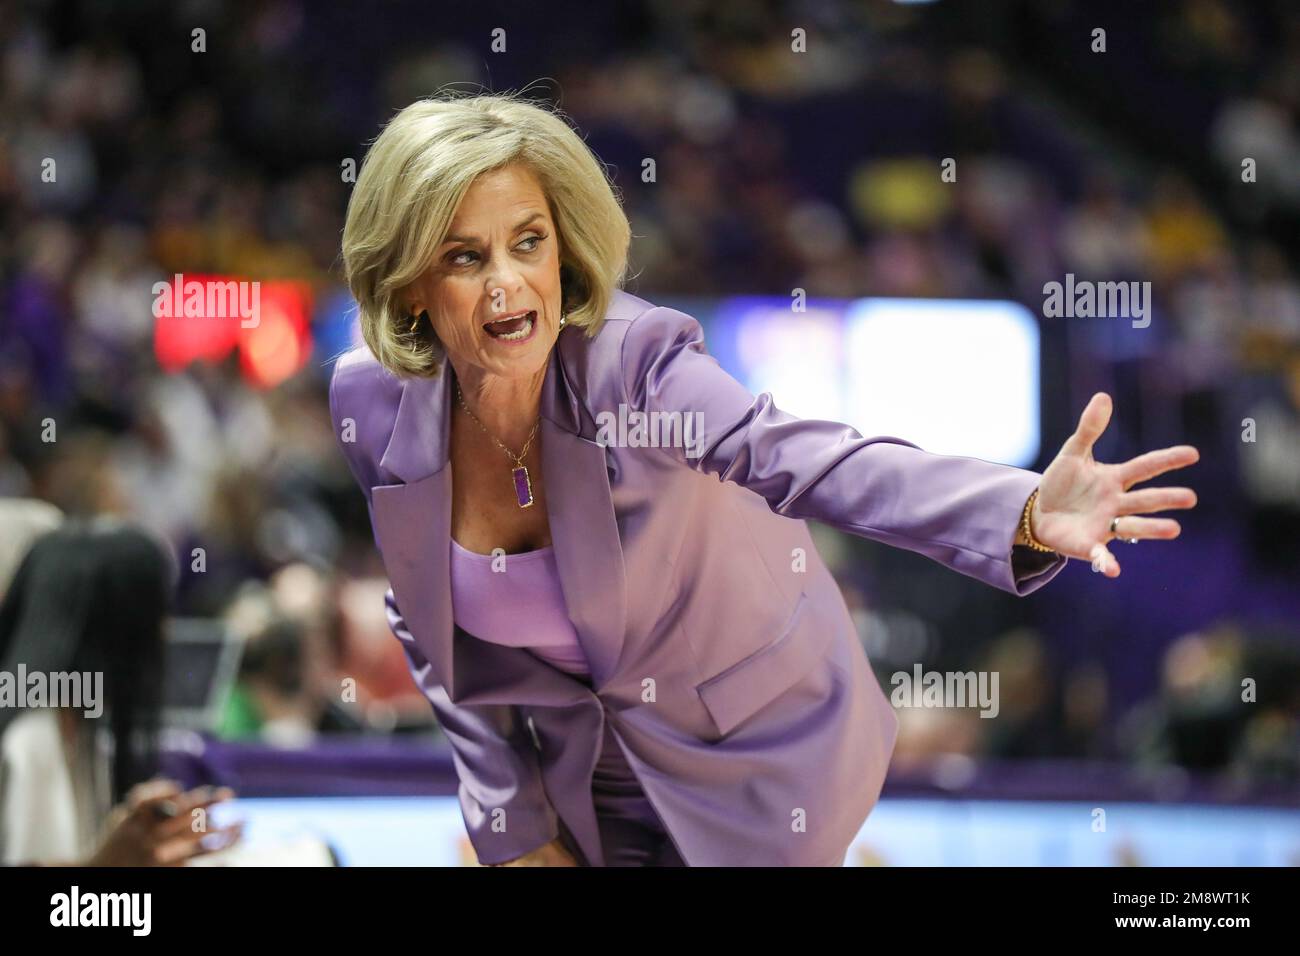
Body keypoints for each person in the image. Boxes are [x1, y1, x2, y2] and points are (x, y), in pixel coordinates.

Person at [330, 91, 1201, 866]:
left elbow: (800, 455)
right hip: (578, 776)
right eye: (464, 257)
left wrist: (1023, 508)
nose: (508, 283)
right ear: (408, 287)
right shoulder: (371, 402)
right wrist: (512, 824)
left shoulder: (632, 367)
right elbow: (428, 622)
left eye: (529, 242)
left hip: (750, 756)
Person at [0, 522, 242, 865]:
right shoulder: (30, 742)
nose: (165, 633)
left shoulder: (79, 727)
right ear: (120, 628)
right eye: (157, 615)